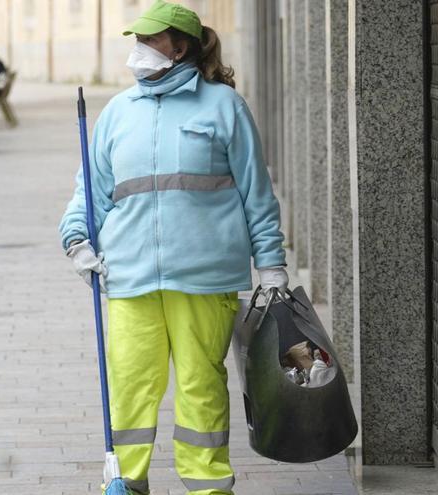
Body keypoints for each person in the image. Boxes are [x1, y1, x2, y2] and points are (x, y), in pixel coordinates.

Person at [58, 1, 289, 493]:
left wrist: (271, 264)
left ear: (179, 46)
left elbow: (257, 192)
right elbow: (92, 191)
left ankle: (207, 485)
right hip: (129, 273)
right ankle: (125, 481)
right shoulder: (118, 112)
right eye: (136, 40)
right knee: (130, 388)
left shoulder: (225, 106)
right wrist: (76, 238)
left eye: (148, 39)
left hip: (205, 276)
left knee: (201, 387)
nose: (137, 50)